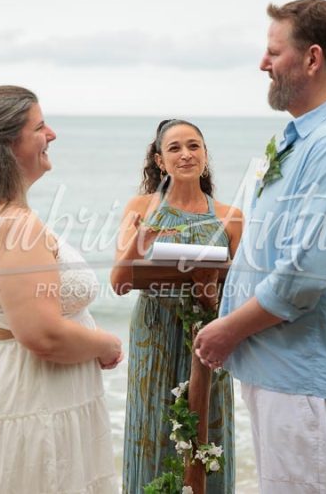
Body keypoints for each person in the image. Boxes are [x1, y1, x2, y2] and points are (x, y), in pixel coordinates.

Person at [194, 0, 326, 494]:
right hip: (285, 371)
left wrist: (226, 331)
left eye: (273, 52)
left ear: (312, 59)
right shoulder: (309, 138)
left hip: (309, 376)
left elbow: (303, 275)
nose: (262, 64)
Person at [0, 85, 122, 494]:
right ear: (8, 145)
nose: (51, 134)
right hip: (32, 401)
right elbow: (42, 335)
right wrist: (106, 344)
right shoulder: (16, 226)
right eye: (39, 127)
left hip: (8, 387)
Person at [110, 119, 244, 493]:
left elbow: (237, 294)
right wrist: (141, 239)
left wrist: (208, 294)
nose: (186, 154)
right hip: (153, 332)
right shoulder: (140, 207)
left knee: (206, 428)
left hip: (206, 334)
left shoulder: (230, 218)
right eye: (174, 148)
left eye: (194, 146)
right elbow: (119, 282)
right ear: (159, 160)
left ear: (204, 154)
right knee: (152, 425)